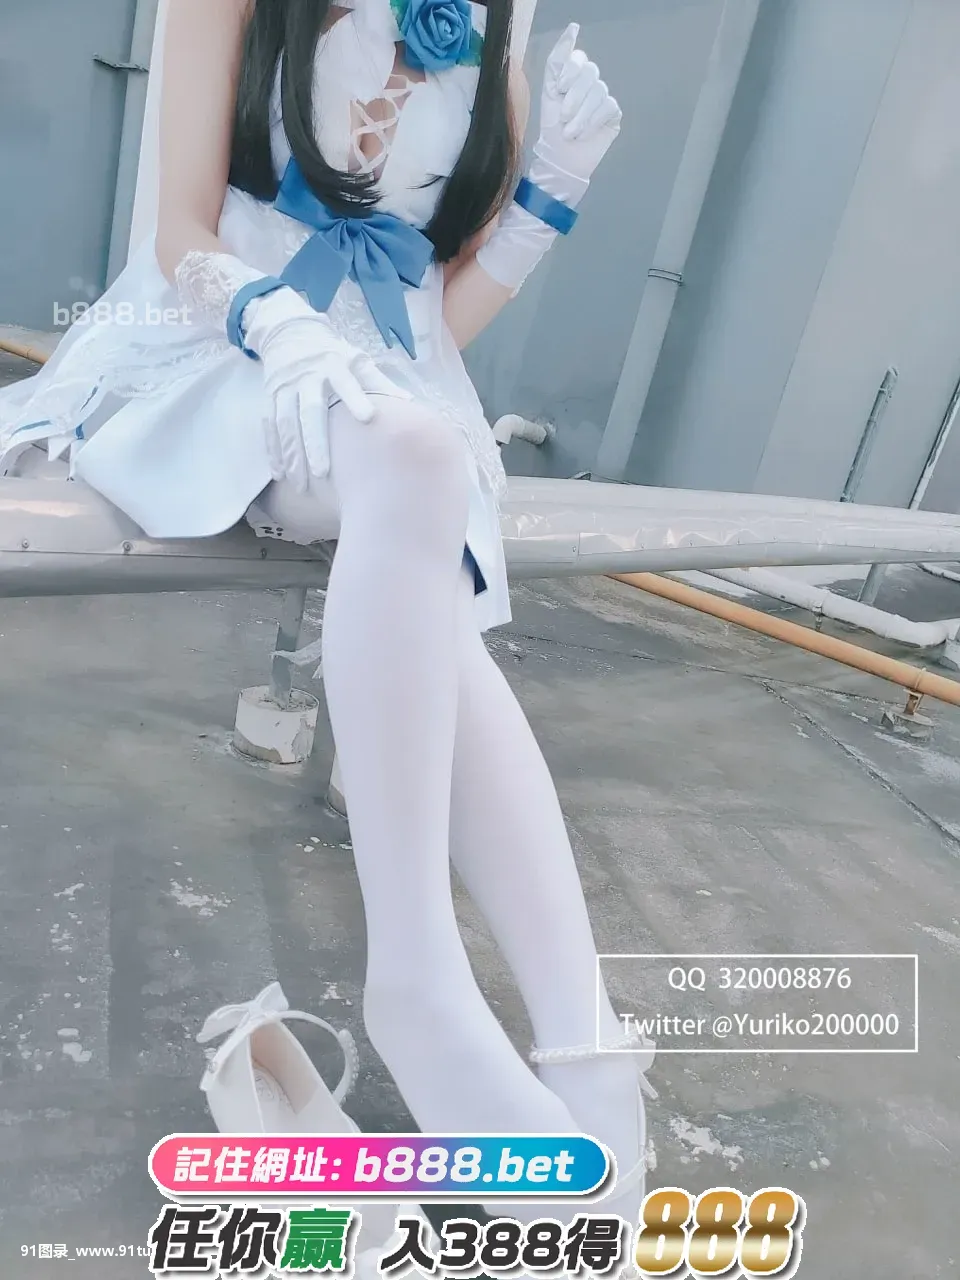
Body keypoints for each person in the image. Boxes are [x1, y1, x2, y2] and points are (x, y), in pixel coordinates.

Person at [0, 0, 654, 1246]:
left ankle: (578, 1036)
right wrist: (273, 320)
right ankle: (429, 981)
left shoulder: (492, 37)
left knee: (421, 501)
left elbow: (435, 318)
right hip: (213, 342)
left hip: (380, 383)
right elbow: (181, 227)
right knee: (416, 465)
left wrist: (551, 193)